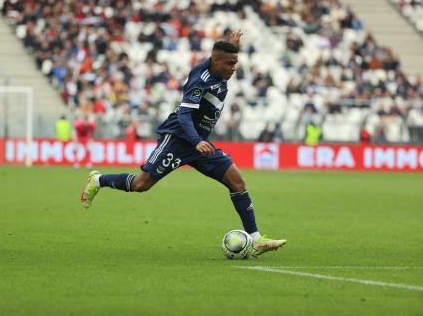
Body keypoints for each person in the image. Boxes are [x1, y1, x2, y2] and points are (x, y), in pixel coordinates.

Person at [80, 30, 286, 257]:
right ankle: (97, 180)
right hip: (178, 139)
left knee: (237, 182)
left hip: (200, 144)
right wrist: (196, 140)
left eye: (235, 62)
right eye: (230, 63)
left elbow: (222, 57)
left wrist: (231, 46)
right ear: (216, 61)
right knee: (141, 185)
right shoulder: (200, 81)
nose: (233, 68)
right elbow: (184, 116)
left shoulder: (218, 68)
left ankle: (256, 239)